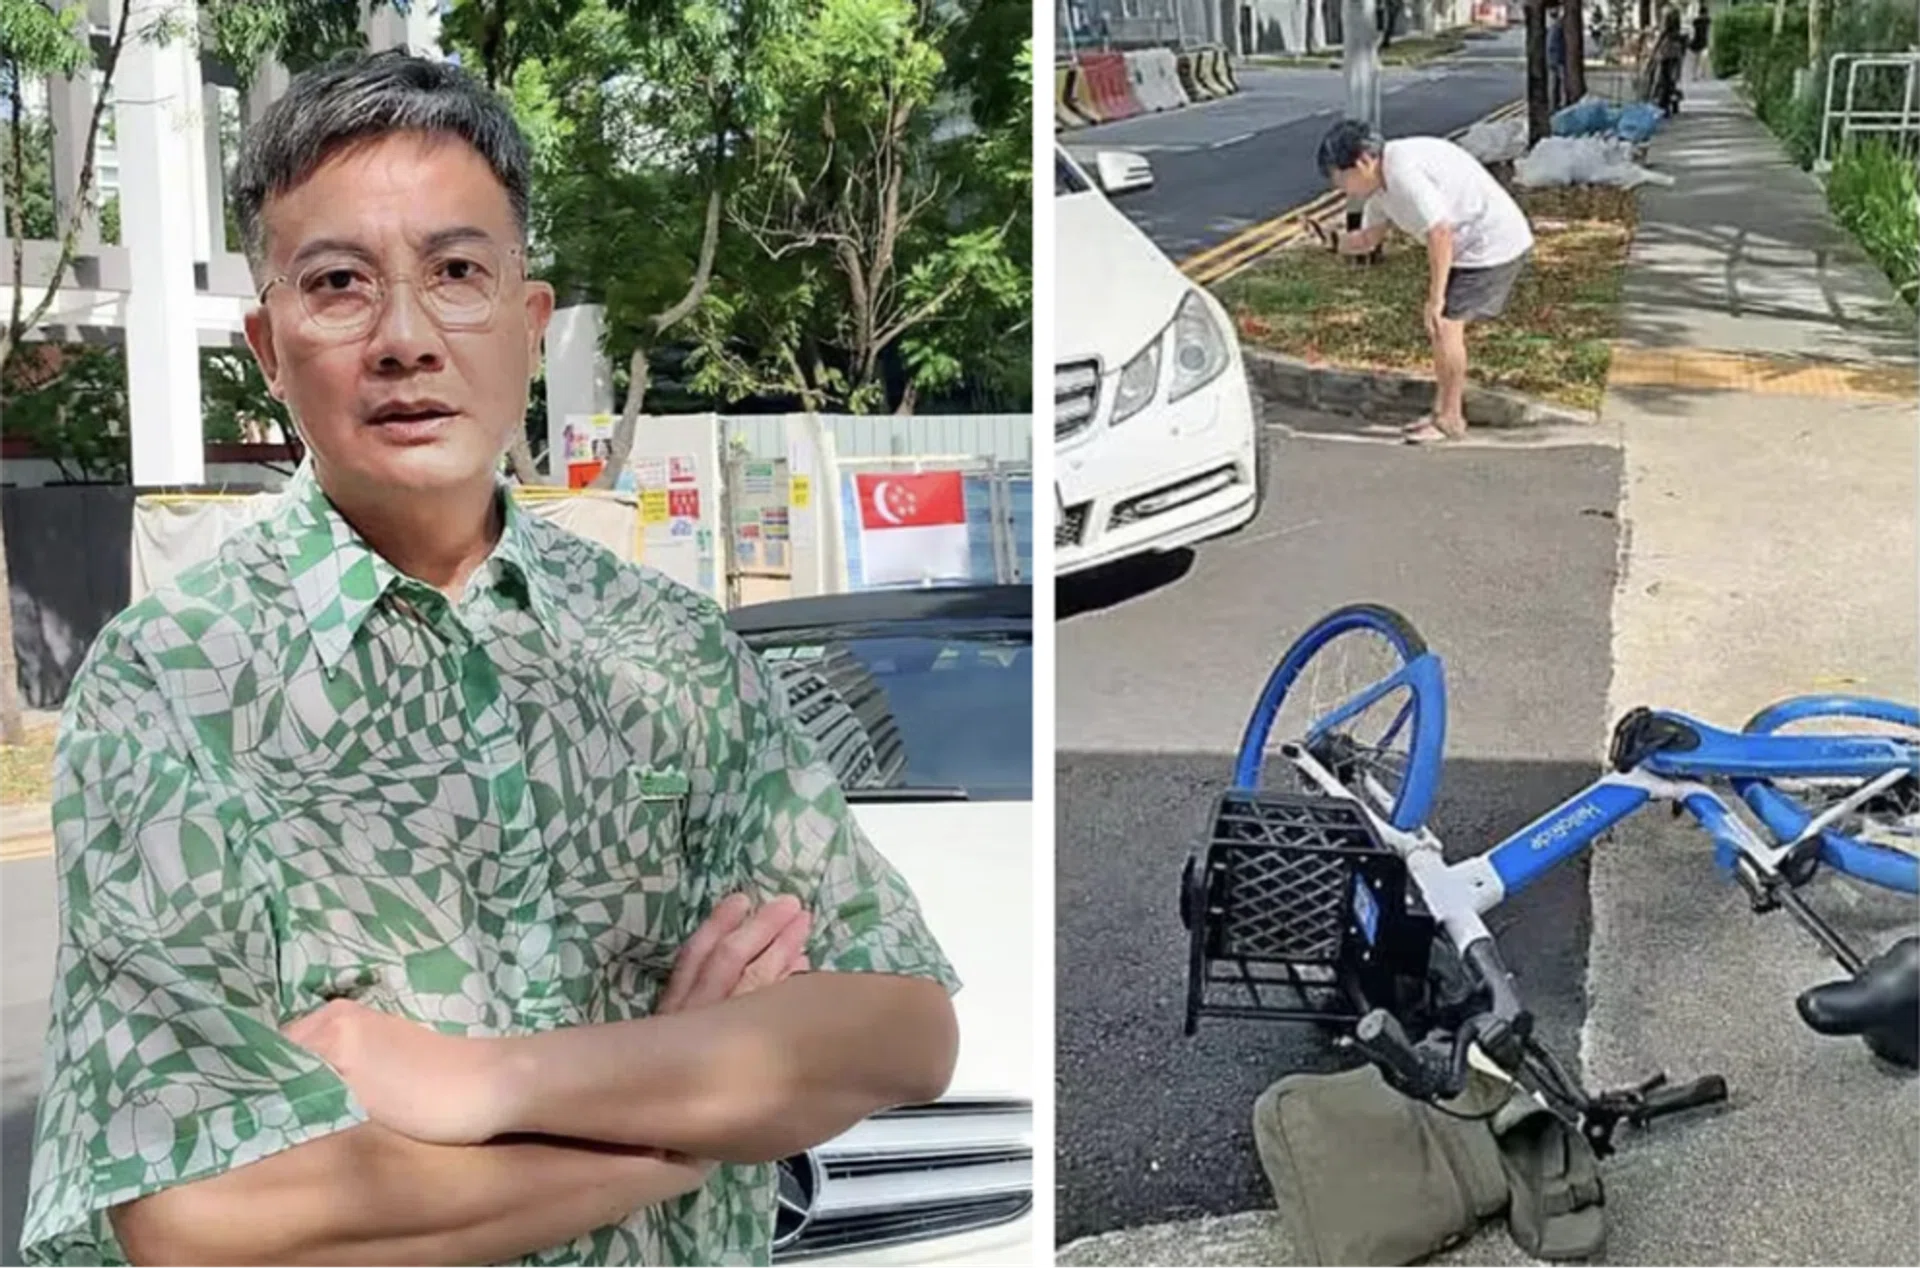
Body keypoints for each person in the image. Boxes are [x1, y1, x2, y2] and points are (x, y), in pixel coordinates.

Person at [18, 50, 961, 1268]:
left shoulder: (669, 653)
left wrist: (471, 1082)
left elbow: (898, 1029)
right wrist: (673, 1132)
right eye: (340, 284)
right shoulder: (176, 687)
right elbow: (199, 1208)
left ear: (526, 322)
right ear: (266, 343)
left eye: (456, 272)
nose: (405, 336)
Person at [1313, 120, 1535, 444]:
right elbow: (1367, 241)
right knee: (1442, 328)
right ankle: (1442, 412)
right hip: (1470, 244)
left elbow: (1439, 231)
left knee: (1444, 325)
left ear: (1363, 161)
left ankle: (1450, 420)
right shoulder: (1381, 190)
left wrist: (1436, 297)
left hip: (1491, 242)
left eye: (1341, 179)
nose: (1340, 189)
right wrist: (1329, 240)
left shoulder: (1402, 171)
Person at [1687, 1, 1712, 81]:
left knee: (1698, 60)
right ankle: (1700, 74)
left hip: (1697, 42)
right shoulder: (1707, 21)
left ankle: (1696, 75)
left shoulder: (1696, 21)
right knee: (1703, 59)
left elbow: (1692, 31)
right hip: (1701, 42)